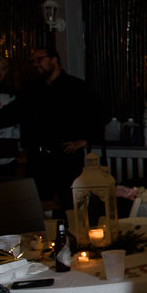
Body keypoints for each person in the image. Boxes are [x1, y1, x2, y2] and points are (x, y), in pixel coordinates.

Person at [19, 47, 102, 215]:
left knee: (70, 205)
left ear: (54, 59)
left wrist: (84, 139)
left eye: (39, 59)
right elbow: (20, 115)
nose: (36, 64)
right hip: (39, 157)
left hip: (66, 156)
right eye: (33, 61)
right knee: (37, 205)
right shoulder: (33, 90)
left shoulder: (76, 87)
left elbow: (99, 114)